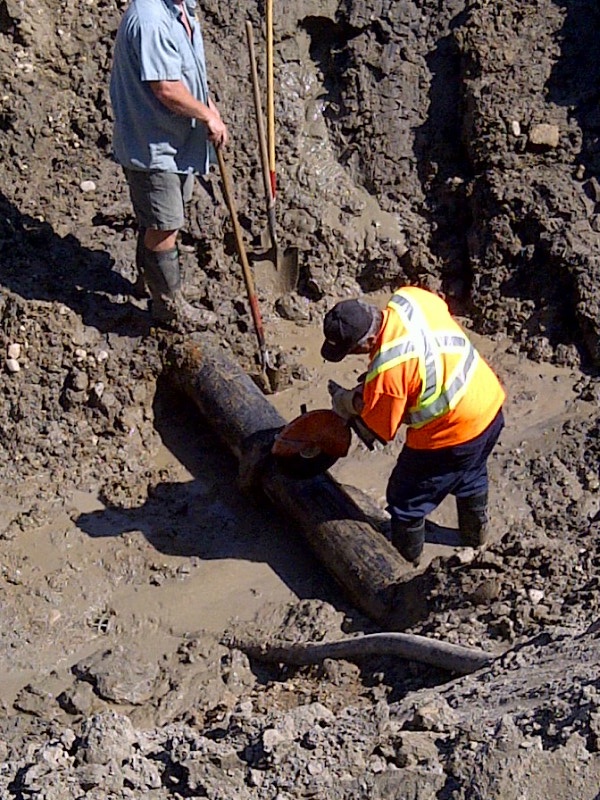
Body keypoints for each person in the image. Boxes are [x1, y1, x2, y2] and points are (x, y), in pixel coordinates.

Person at [320, 286, 506, 565]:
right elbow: (423, 348)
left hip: (452, 435)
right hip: (489, 405)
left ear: (368, 341)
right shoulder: (410, 298)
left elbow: (380, 428)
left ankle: (404, 562)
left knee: (405, 497)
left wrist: (349, 401)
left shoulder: (389, 372)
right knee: (471, 473)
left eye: (353, 350)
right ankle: (475, 537)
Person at [109, 0, 229, 330]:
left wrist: (209, 106)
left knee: (161, 217)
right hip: (153, 144)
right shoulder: (151, 20)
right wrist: (205, 115)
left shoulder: (180, 9)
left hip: (175, 142)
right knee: (165, 224)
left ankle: (146, 281)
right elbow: (166, 88)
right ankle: (169, 307)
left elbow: (187, 72)